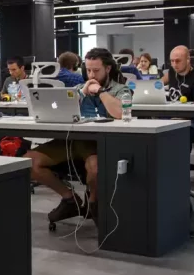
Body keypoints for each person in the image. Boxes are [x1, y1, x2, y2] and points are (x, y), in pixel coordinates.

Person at [25, 48, 127, 225]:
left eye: (96, 70)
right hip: (73, 141)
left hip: (99, 143)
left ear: (108, 69)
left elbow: (119, 113)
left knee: (95, 169)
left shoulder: (120, 89)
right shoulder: (79, 89)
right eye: (88, 70)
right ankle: (69, 199)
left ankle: (94, 203)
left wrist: (101, 91)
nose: (91, 74)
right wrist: (82, 93)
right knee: (29, 161)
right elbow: (61, 110)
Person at [160, 45, 194, 143]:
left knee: (177, 134)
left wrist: (181, 118)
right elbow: (158, 85)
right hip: (170, 117)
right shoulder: (172, 72)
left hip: (190, 121)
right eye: (172, 61)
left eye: (178, 61)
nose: (174, 64)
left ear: (188, 60)